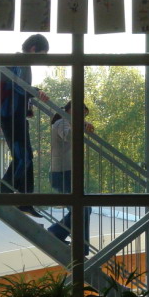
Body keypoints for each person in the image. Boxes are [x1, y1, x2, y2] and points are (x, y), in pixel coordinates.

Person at [0, 33, 50, 195]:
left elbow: (18, 87)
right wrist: (36, 92)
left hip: (14, 116)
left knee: (27, 158)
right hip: (11, 116)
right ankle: (1, 195)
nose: (41, 59)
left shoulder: (20, 62)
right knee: (23, 158)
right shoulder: (20, 61)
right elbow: (17, 86)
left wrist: (31, 98)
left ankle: (25, 199)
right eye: (42, 55)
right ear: (33, 49)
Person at [47, 101, 95, 254]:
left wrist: (84, 125)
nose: (81, 116)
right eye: (79, 112)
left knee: (84, 209)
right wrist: (82, 125)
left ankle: (81, 247)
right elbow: (69, 136)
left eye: (83, 114)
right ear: (68, 109)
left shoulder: (67, 122)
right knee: (83, 208)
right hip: (61, 174)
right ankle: (56, 232)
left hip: (68, 173)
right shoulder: (61, 122)